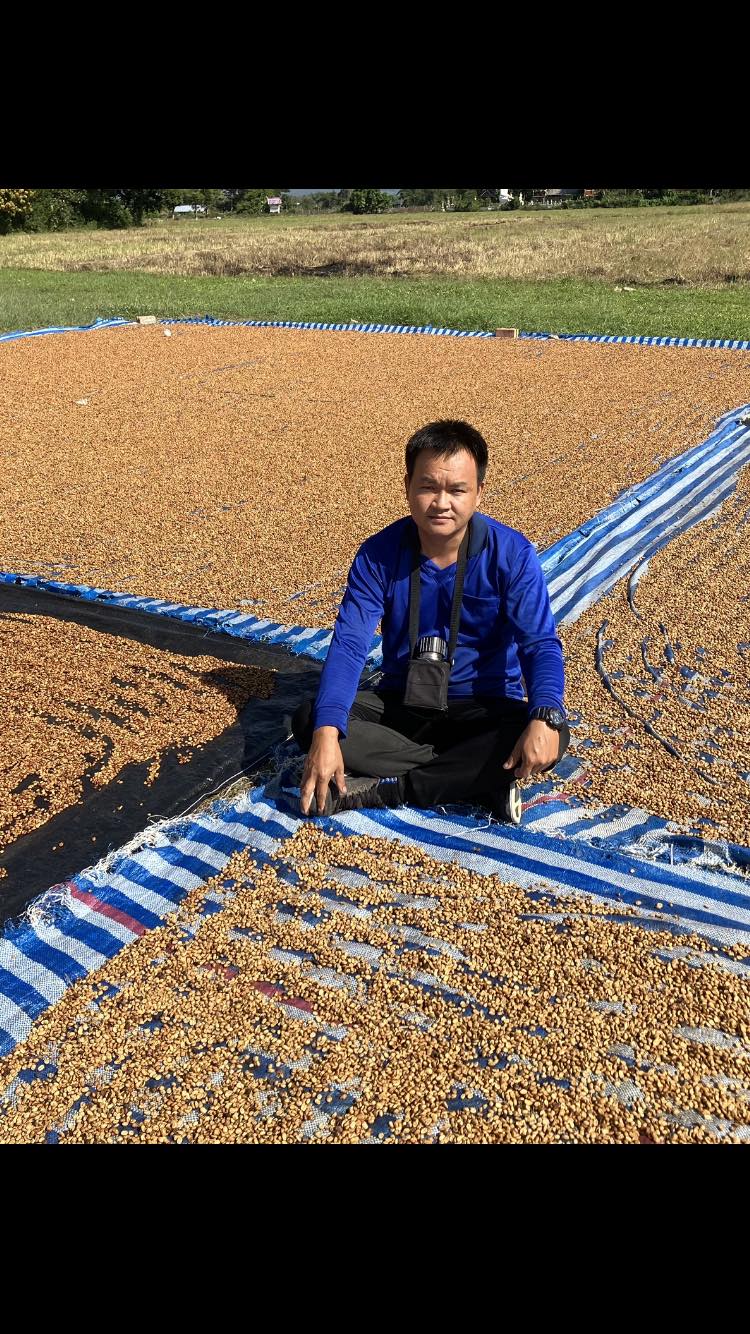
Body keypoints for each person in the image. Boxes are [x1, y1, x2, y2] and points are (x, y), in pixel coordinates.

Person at [292, 419, 569, 822]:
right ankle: (472, 776)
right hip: (403, 704)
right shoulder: (378, 554)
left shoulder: (511, 554)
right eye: (428, 487)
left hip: (484, 706)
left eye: (457, 490)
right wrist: (326, 733)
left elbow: (539, 644)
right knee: (312, 719)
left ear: (478, 493)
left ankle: (391, 789)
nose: (442, 502)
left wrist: (544, 714)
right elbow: (350, 644)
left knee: (550, 733)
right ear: (407, 486)